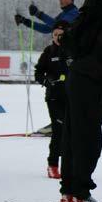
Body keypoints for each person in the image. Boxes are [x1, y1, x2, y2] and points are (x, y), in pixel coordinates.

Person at [58, 0, 102, 202]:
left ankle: (68, 193)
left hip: (76, 78)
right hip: (91, 84)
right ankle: (80, 195)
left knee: (71, 136)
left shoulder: (81, 26)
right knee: (88, 139)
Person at [34, 21, 69, 178]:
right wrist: (46, 81)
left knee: (71, 131)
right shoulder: (48, 52)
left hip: (72, 97)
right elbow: (38, 73)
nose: (57, 38)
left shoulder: (73, 51)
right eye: (54, 35)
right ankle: (53, 164)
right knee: (59, 130)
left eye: (60, 35)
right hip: (54, 97)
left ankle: (69, 165)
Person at [14, 0, 79, 34]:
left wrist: (38, 14)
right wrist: (25, 21)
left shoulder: (74, 13)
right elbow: (46, 29)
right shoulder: (63, 14)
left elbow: (59, 26)